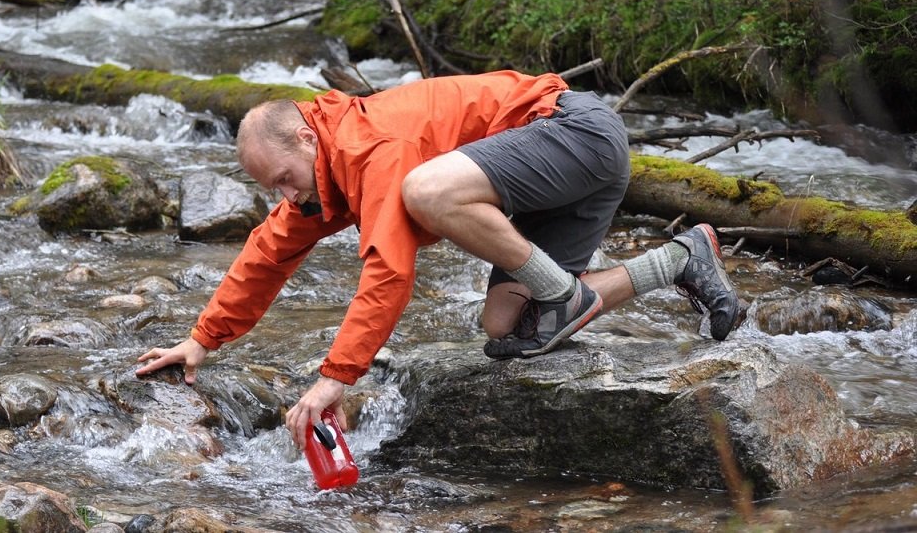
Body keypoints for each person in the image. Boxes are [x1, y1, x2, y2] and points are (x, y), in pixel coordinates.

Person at [136, 70, 743, 449]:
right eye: (275, 189)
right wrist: (202, 341)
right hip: (556, 179)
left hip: (576, 135)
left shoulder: (369, 145)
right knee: (508, 330)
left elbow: (389, 271)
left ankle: (563, 290)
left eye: (284, 179)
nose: (286, 195)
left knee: (425, 192)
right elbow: (266, 253)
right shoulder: (322, 175)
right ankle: (681, 260)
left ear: (305, 138)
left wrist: (335, 379)